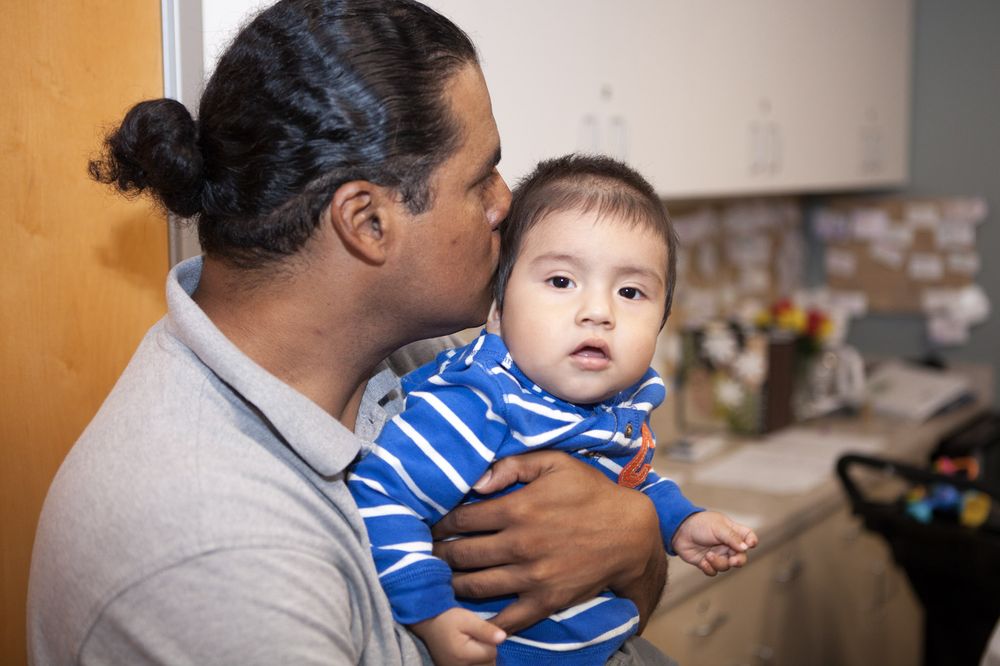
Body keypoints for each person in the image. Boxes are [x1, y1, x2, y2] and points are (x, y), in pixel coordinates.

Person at [27, 1, 680, 664]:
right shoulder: (217, 552)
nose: (505, 203)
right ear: (366, 223)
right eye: (480, 176)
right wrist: (632, 556)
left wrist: (634, 538)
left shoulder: (414, 351)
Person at [350, 154, 759, 665]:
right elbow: (383, 495)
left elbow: (630, 482)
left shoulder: (620, 403)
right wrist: (431, 614)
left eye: (630, 292)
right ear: (497, 309)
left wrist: (679, 522)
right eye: (561, 282)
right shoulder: (479, 401)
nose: (598, 312)